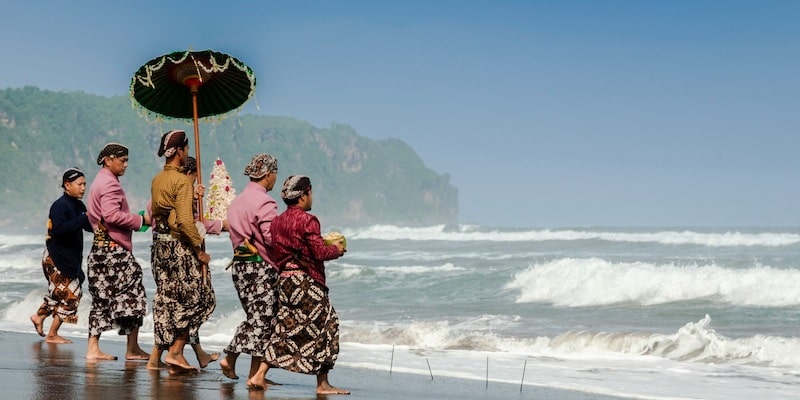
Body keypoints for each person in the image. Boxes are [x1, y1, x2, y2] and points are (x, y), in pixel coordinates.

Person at [248, 175, 349, 395]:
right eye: (310, 193)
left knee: (285, 328)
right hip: (306, 282)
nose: (311, 197)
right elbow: (319, 253)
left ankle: (259, 374)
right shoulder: (308, 220)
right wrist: (337, 250)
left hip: (285, 281)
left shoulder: (277, 221)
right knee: (327, 325)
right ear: (303, 195)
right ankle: (322, 384)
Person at [145, 155, 225, 371]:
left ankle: (177, 356)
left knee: (170, 302)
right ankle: (175, 352)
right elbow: (187, 222)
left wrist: (192, 196)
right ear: (189, 174)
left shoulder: (160, 182)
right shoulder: (181, 186)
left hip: (160, 249)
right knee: (198, 299)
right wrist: (199, 249)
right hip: (179, 249)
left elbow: (155, 211)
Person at [85, 143, 151, 361]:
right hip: (114, 251)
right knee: (135, 295)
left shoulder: (98, 181)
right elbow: (112, 215)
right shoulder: (110, 185)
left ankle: (93, 348)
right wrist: (140, 220)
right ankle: (132, 348)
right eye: (122, 160)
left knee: (101, 299)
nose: (125, 165)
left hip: (100, 250)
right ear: (108, 160)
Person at [219, 154, 280, 382]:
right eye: (274, 173)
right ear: (267, 174)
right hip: (259, 267)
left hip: (240, 267)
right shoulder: (264, 202)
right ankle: (230, 356)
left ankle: (256, 374)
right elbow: (270, 237)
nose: (275, 178)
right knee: (262, 319)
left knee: (258, 318)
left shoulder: (237, 201)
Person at [30, 168, 93, 344]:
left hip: (67, 258)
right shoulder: (60, 205)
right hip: (55, 257)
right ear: (67, 185)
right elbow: (60, 230)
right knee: (72, 296)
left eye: (84, 184)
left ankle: (38, 317)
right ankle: (52, 334)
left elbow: (87, 225)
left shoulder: (78, 205)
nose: (83, 188)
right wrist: (84, 218)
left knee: (59, 294)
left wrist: (98, 220)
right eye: (79, 184)